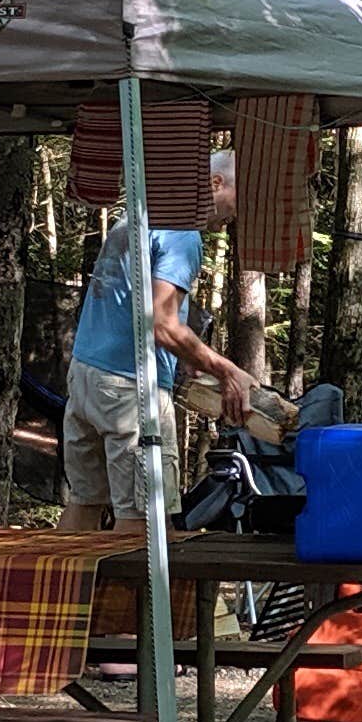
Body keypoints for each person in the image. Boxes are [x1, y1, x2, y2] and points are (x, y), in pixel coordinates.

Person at [58, 148, 257, 528]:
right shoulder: (183, 233)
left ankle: (59, 590)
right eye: (240, 197)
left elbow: (130, 298)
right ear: (215, 183)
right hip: (130, 389)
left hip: (86, 375)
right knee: (147, 528)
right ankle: (140, 592)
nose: (237, 214)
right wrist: (227, 370)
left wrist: (188, 357)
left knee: (85, 504)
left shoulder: (138, 214)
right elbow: (162, 324)